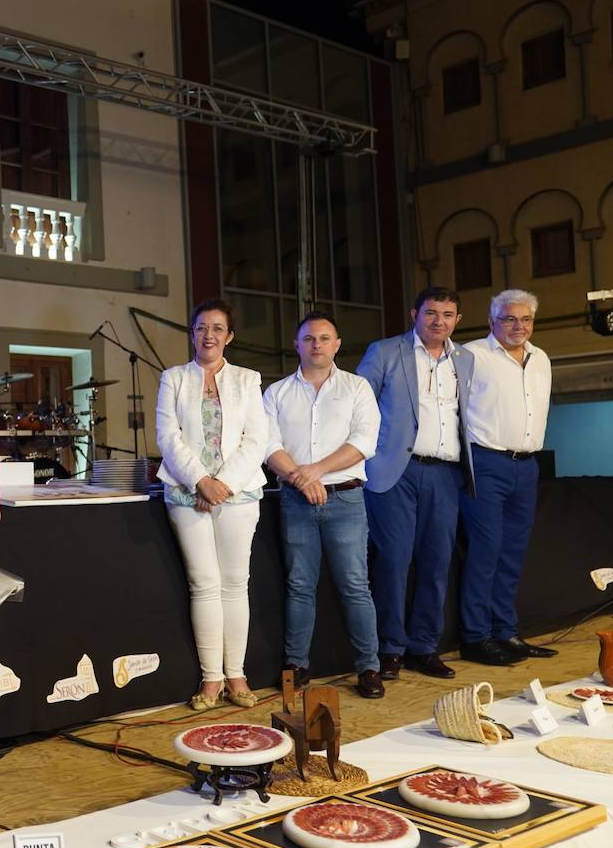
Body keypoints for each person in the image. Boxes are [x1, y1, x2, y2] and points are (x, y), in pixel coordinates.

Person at [263, 311, 384, 699]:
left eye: (324, 338)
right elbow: (268, 446)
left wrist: (313, 471)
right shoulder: (276, 392)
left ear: (337, 344)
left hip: (346, 497)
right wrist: (302, 479)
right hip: (296, 501)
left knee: (354, 585)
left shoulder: (357, 388)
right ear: (297, 345)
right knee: (299, 585)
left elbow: (365, 441)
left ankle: (369, 667)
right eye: (309, 338)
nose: (317, 344)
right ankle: (296, 666)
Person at [155, 299, 267, 711]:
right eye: (202, 327)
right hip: (187, 492)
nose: (209, 335)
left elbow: (256, 439)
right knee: (203, 584)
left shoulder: (248, 379)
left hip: (238, 492)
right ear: (192, 333)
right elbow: (168, 437)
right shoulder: (174, 378)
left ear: (229, 336)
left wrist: (223, 483)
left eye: (217, 328)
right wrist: (201, 481)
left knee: (236, 584)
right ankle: (210, 679)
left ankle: (236, 675)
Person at [357, 287, 472, 681]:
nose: (439, 320)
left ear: (457, 319)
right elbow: (359, 403)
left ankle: (424, 647)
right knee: (393, 561)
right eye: (431, 312)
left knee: (437, 562)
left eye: (448, 313)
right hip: (395, 472)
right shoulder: (385, 352)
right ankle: (390, 648)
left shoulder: (466, 359)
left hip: (445, 473)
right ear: (414, 314)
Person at [457, 289, 557, 665]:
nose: (519, 326)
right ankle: (475, 637)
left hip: (527, 465)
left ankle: (506, 632)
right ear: (491, 321)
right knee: (486, 550)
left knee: (513, 553)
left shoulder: (541, 357)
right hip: (486, 462)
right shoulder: (471, 355)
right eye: (509, 319)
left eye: (526, 319)